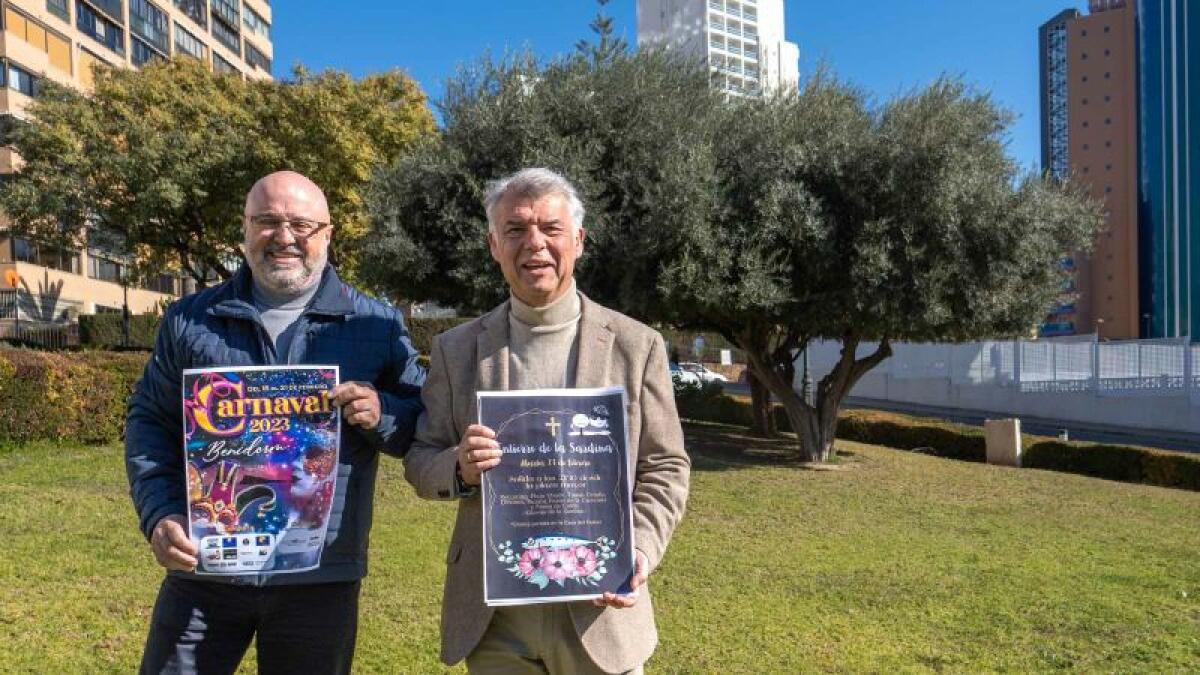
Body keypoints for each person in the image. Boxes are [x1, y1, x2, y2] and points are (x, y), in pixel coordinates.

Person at [125, 171, 424, 674]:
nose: (285, 237)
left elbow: (424, 422)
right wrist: (160, 514)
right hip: (207, 568)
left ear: (327, 234)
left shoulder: (377, 325)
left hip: (320, 575)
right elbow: (149, 421)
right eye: (267, 221)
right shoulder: (190, 319)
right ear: (244, 231)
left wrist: (382, 414)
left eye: (301, 224)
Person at [404, 168, 690, 674]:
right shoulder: (456, 349)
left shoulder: (636, 345)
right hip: (495, 620)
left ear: (578, 240)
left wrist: (640, 549)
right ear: (494, 244)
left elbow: (665, 466)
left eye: (550, 229)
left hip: (603, 616)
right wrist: (459, 468)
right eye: (515, 230)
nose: (534, 243)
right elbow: (421, 459)